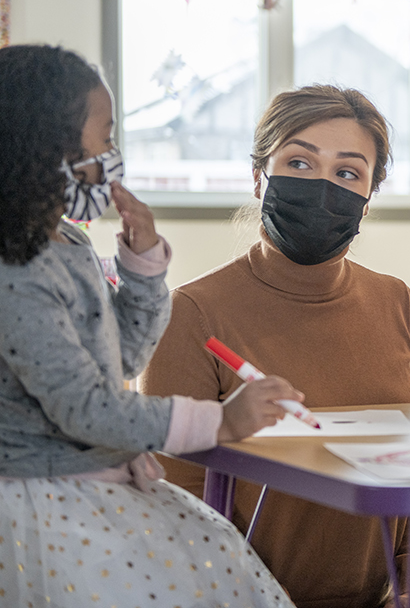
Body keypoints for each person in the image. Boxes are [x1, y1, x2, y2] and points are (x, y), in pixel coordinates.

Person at [0, 44, 301, 606]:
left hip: (95, 482)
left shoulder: (68, 243)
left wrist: (141, 268)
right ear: (44, 149)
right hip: (46, 502)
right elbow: (85, 407)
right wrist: (218, 421)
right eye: (106, 138)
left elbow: (123, 361)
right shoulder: (15, 273)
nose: (113, 156)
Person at [141, 85, 410, 608]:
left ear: (367, 200)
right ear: (259, 178)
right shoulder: (191, 314)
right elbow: (171, 506)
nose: (322, 187)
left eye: (348, 173)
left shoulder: (396, 301)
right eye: (299, 162)